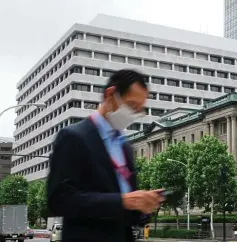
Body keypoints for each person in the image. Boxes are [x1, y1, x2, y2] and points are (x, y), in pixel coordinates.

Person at [47, 69, 164, 242]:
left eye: (140, 109)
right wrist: (123, 201)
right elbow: (59, 200)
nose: (135, 114)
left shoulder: (125, 147)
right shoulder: (73, 137)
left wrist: (143, 205)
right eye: (132, 106)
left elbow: (124, 211)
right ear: (110, 95)